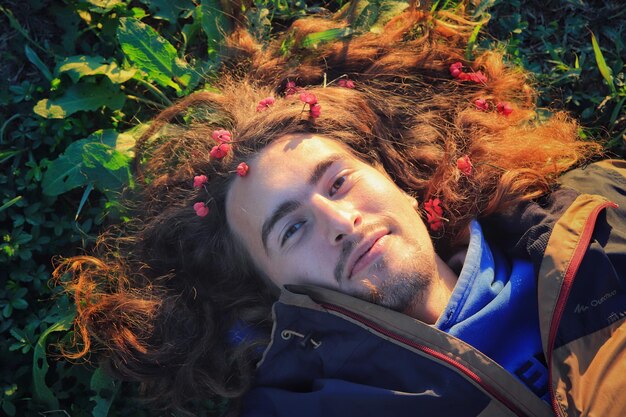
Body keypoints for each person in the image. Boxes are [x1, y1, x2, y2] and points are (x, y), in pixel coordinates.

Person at [55, 5, 626, 417]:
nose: (339, 221)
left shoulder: (600, 211)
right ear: (270, 288)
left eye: (339, 181)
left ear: (400, 179)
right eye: (292, 227)